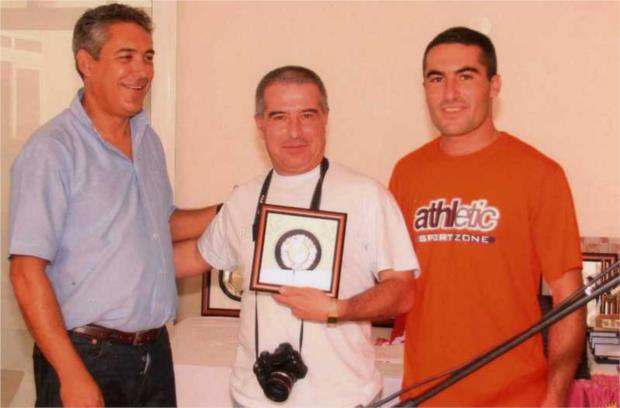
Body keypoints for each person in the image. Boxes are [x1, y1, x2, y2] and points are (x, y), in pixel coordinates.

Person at [174, 65, 419, 407]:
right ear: (260, 124)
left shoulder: (367, 196)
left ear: (325, 118)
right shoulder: (244, 199)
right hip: (252, 398)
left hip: (341, 399)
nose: (294, 131)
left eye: (307, 115)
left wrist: (337, 309)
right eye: (279, 117)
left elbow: (403, 292)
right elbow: (193, 258)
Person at [9, 3, 214, 407]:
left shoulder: (148, 141)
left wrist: (230, 213)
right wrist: (71, 374)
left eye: (148, 57)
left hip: (154, 353)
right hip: (87, 357)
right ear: (86, 63)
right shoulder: (52, 151)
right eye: (126, 57)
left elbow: (156, 228)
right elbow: (25, 273)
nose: (143, 71)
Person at [389, 27, 585, 406]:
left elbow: (568, 300)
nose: (449, 93)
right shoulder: (407, 173)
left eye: (465, 77)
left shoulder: (539, 174)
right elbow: (394, 285)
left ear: (494, 86)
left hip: (515, 398)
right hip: (425, 397)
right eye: (436, 79)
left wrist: (555, 397)